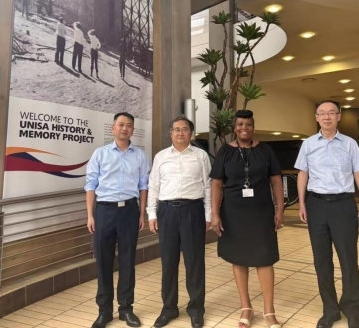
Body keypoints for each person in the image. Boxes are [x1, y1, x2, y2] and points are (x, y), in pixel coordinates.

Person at [294, 100, 359, 328]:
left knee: (349, 259)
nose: (326, 117)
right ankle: (330, 310)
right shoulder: (308, 144)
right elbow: (302, 174)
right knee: (322, 261)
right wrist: (301, 204)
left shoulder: (349, 144)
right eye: (322, 113)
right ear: (316, 118)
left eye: (331, 113)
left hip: (343, 205)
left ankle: (352, 310)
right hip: (316, 205)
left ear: (339, 116)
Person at [210, 109, 284, 328]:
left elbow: (276, 180)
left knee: (265, 258)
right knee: (239, 258)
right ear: (235, 128)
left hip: (262, 212)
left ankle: (269, 311)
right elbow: (216, 184)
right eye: (240, 124)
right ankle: (246, 307)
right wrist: (214, 214)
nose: (244, 128)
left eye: (248, 124)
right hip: (233, 214)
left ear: (253, 127)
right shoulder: (225, 151)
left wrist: (280, 209)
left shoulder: (265, 150)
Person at [85, 112, 150, 328]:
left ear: (133, 130)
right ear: (113, 128)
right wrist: (90, 215)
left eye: (129, 125)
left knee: (127, 261)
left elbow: (143, 186)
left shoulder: (140, 155)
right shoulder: (100, 154)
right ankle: (104, 311)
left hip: (129, 211)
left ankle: (126, 309)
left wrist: (141, 213)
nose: (124, 128)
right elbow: (90, 185)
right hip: (104, 211)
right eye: (121, 125)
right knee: (103, 261)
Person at [147, 117, 211, 328]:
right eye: (176, 129)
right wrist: (152, 214)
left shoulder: (201, 156)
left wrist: (208, 215)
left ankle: (196, 309)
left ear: (191, 134)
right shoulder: (161, 157)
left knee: (194, 262)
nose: (180, 133)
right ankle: (169, 308)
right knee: (168, 262)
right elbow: (153, 186)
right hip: (167, 212)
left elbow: (208, 186)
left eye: (184, 129)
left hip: (193, 210)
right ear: (171, 133)